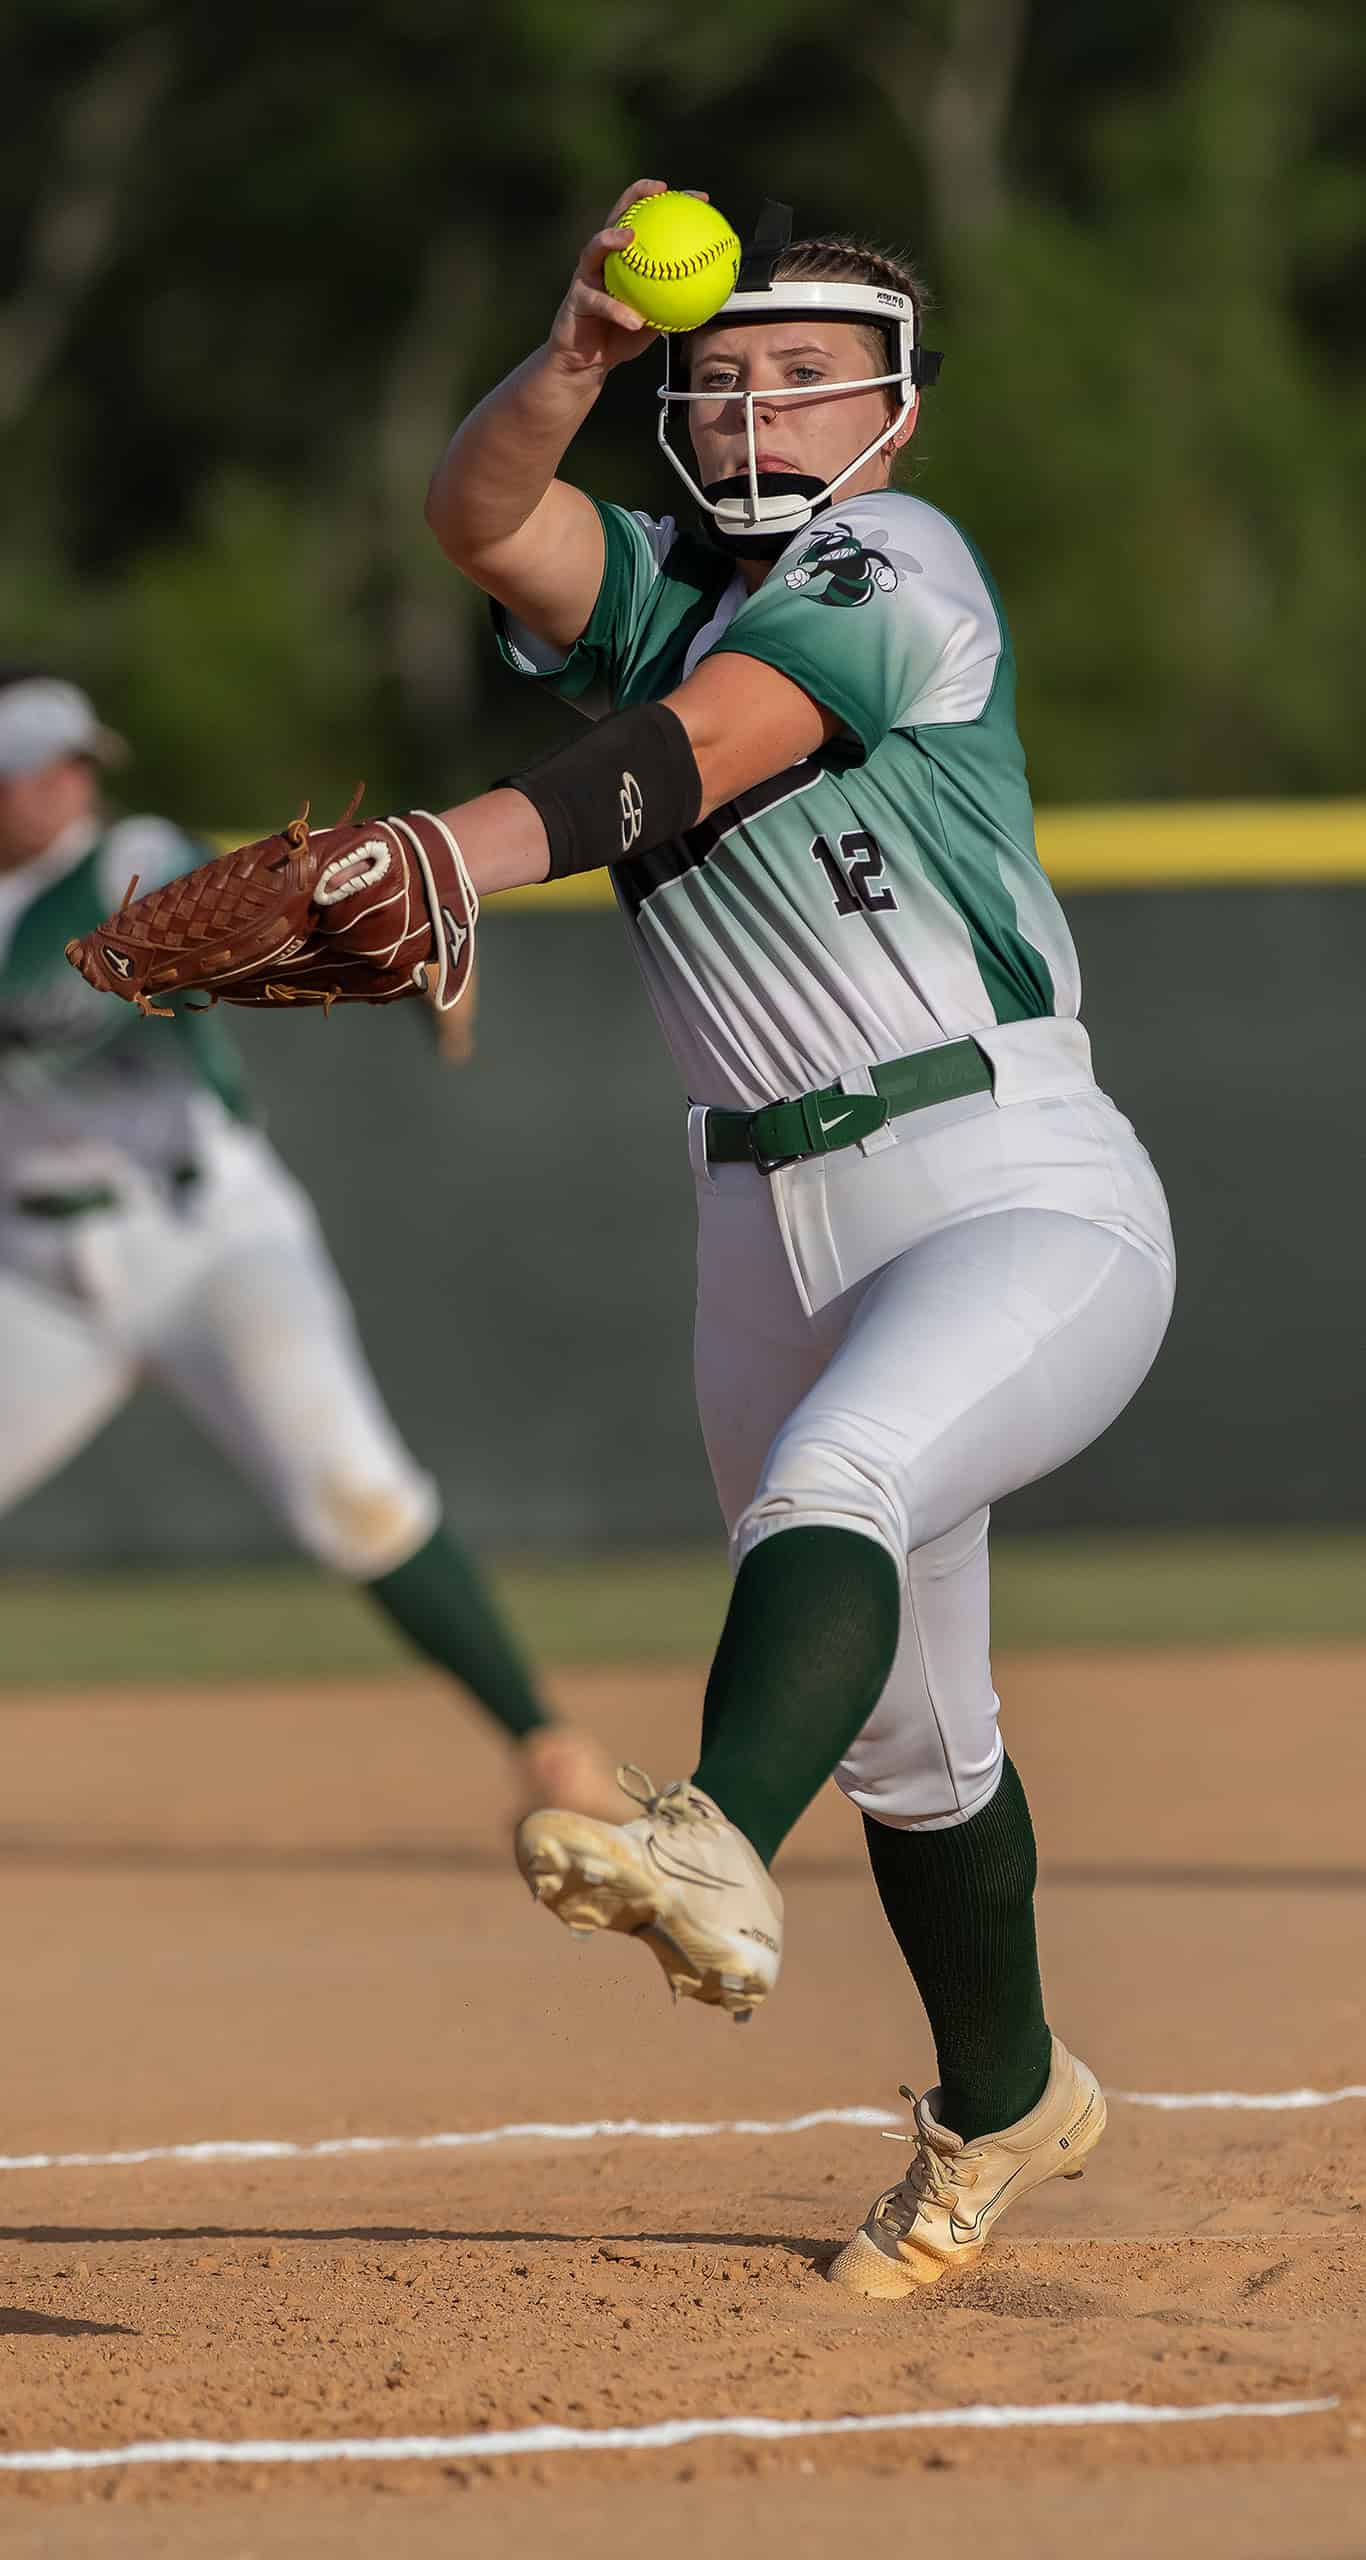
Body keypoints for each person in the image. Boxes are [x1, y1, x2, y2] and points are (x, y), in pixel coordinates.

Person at [74, 178, 1178, 2301]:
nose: (758, 407)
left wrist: (448, 852)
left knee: (829, 1484)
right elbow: (484, 518)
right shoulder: (658, 576)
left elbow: (699, 754)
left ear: (892, 408)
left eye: (807, 374)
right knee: (917, 1746)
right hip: (760, 1211)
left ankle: (708, 1843)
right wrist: (572, 356)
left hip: (1005, 1176)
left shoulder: (894, 564)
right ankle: (1006, 2096)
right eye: (725, 373)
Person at [0, 666, 620, 1822]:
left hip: (206, 1237)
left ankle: (547, 1745)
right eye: (47, 765)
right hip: (31, 1276)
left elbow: (252, 915)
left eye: (81, 757)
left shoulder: (124, 853)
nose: (74, 782)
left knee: (357, 1496)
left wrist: (382, 962)